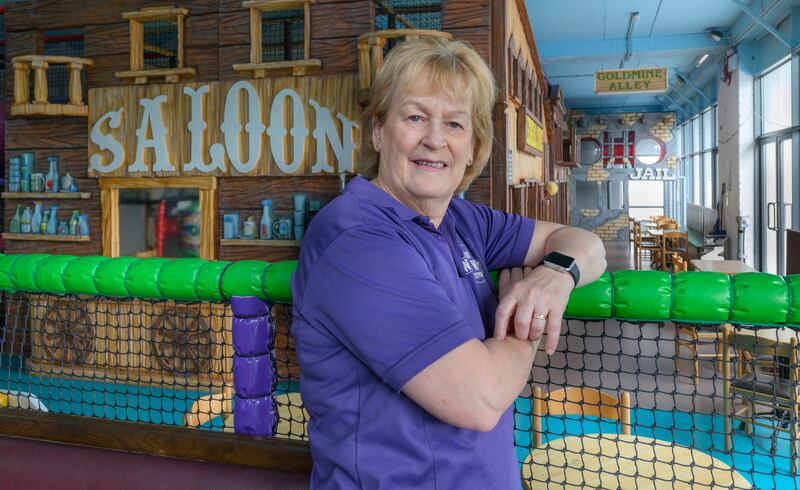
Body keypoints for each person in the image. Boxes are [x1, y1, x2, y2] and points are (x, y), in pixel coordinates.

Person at [291, 38, 605, 489]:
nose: (434, 140)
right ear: (379, 130)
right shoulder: (356, 239)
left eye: (454, 123)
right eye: (415, 116)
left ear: (474, 145)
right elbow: (478, 399)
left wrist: (553, 276)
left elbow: (582, 241)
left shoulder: (461, 219)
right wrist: (524, 323)